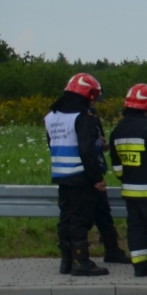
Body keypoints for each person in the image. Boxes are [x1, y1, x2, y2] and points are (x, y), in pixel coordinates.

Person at [45, 73, 109, 277]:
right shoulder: (83, 118)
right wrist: (97, 178)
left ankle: (67, 262)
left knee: (65, 219)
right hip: (81, 177)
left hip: (61, 175)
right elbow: (87, 151)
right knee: (80, 220)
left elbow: (51, 144)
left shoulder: (51, 117)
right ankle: (82, 262)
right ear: (88, 95)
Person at [110, 83, 147, 277]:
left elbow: (117, 167)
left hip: (129, 191)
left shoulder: (117, 130)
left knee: (136, 229)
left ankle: (141, 267)